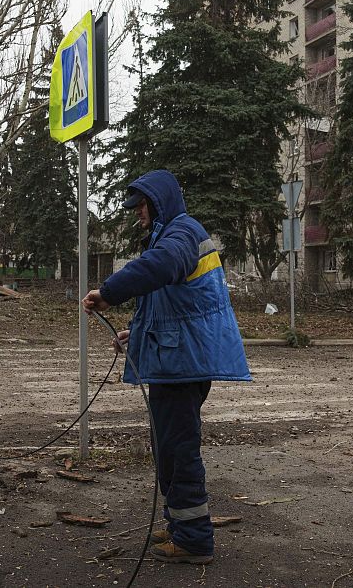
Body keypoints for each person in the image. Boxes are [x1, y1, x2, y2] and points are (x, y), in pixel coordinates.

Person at [83, 169, 251, 565]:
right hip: (176, 359)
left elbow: (161, 267)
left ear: (159, 202)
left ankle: (194, 539)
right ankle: (180, 525)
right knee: (169, 449)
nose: (137, 213)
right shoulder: (173, 234)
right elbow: (173, 306)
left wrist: (109, 293)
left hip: (183, 365)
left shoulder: (181, 234)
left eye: (141, 205)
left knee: (179, 449)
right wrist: (133, 335)